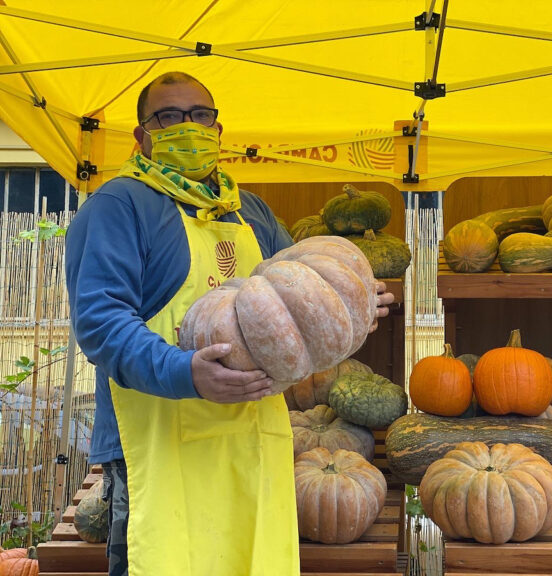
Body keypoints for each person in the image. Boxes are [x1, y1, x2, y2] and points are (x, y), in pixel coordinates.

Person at [64, 71, 395, 576]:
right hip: (157, 437)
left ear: (218, 130)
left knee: (249, 559)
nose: (187, 125)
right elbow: (100, 321)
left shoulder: (250, 211)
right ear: (142, 135)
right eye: (168, 117)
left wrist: (352, 307)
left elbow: (305, 299)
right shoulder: (119, 205)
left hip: (251, 434)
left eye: (200, 115)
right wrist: (185, 372)